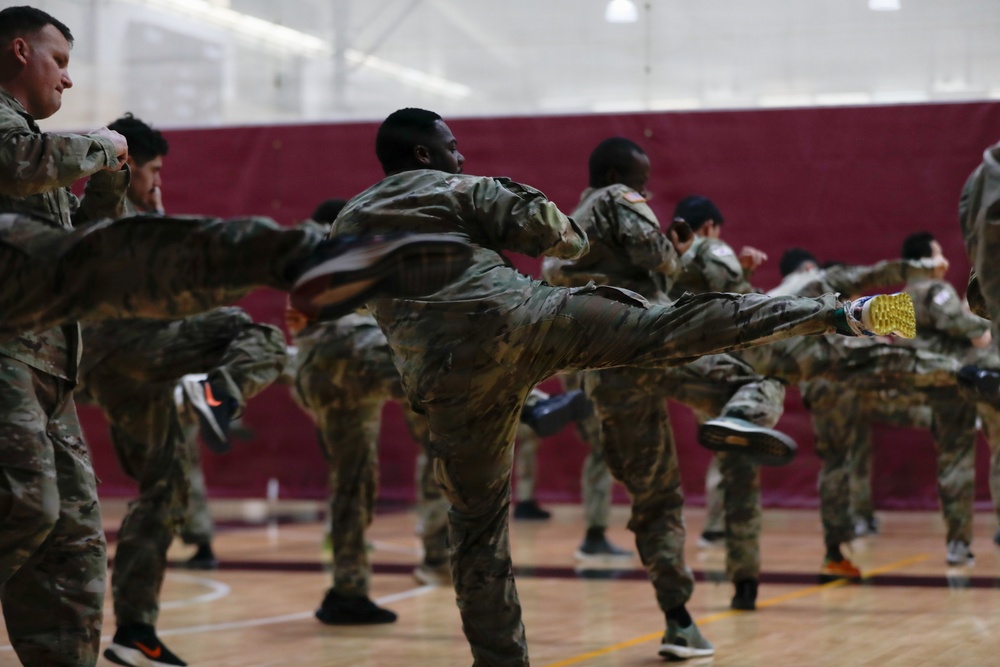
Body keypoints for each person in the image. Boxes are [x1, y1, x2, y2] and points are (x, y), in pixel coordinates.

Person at [331, 107, 912, 665]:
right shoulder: (462, 189)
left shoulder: (345, 224)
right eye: (452, 146)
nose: (461, 155)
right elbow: (559, 237)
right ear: (423, 153)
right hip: (525, 323)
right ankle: (845, 315)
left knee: (478, 535)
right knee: (671, 327)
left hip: (444, 381)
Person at [0, 9, 469, 667]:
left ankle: (130, 631)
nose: (69, 81)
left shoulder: (46, 149)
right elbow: (54, 207)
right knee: (31, 508)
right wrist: (105, 147)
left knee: (79, 542)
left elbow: (86, 242)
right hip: (36, 343)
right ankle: (299, 258)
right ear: (19, 51)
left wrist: (108, 180)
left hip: (60, 365)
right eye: (59, 62)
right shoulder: (18, 137)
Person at [73, 114, 291, 667]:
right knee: (256, 332)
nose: (159, 182)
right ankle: (219, 393)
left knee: (163, 491)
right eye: (154, 171)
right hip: (131, 344)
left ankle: (135, 633)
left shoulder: (133, 214)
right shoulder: (112, 208)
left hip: (120, 373)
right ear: (128, 165)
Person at [544, 140, 796, 613]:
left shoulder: (566, 221)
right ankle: (739, 423)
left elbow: (553, 274)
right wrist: (676, 249)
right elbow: (656, 256)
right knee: (758, 389)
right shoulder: (620, 200)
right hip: (652, 341)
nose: (646, 187)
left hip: (599, 363)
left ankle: (677, 616)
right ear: (618, 174)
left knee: (653, 497)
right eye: (641, 178)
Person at [747, 246, 983, 577]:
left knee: (836, 461)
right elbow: (883, 347)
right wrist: (923, 268)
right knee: (921, 400)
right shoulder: (826, 285)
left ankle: (835, 549)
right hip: (848, 372)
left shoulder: (779, 296)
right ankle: (960, 388)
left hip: (809, 378)